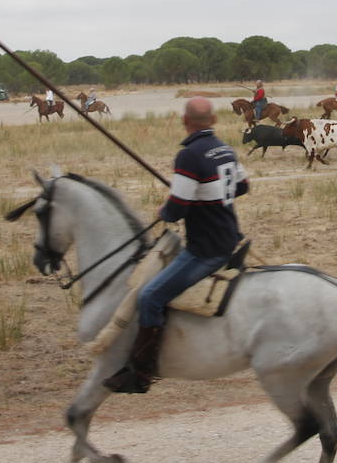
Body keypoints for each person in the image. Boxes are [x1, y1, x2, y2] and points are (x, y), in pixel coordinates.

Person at [103, 96, 249, 394]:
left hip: (205, 249)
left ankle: (141, 372)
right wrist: (207, 195)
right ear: (215, 121)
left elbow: (177, 208)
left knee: (149, 297)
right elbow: (243, 186)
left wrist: (164, 211)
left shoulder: (189, 156)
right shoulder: (225, 149)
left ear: (185, 122)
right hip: (230, 236)